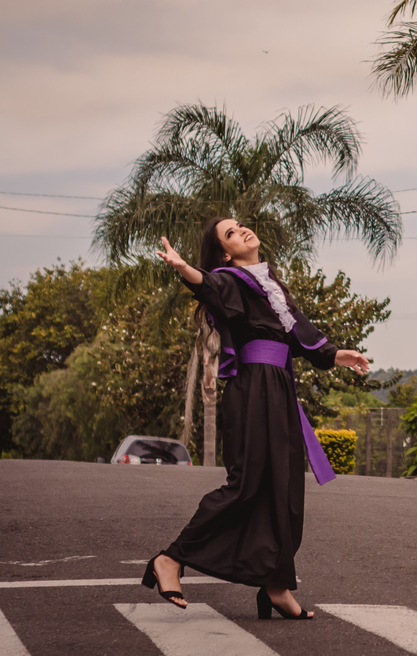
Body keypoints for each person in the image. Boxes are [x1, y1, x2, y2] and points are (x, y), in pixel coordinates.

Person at [144, 218, 371, 620]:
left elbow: (300, 333)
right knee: (246, 486)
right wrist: (183, 269)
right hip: (253, 389)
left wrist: (338, 355)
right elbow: (209, 285)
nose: (243, 231)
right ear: (226, 253)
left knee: (284, 491)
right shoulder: (229, 278)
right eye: (231, 233)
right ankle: (171, 559)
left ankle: (276, 586)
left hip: (280, 387)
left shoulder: (272, 285)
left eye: (241, 225)